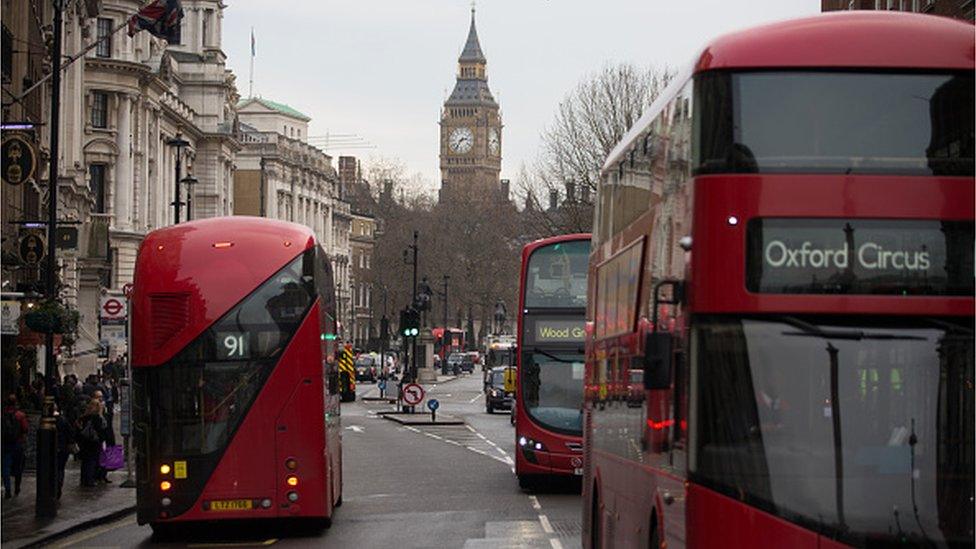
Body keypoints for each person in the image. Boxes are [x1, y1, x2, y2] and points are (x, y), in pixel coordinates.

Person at [2, 394, 29, 498]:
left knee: (5, 467)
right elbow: (25, 429)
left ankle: (8, 489)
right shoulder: (20, 415)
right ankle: (17, 488)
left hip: (5, 444)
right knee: (18, 467)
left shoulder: (2, 414)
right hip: (18, 443)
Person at [76, 398, 106, 487]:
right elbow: (100, 430)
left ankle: (84, 479)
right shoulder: (97, 417)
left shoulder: (84, 417)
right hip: (94, 442)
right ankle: (90, 480)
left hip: (84, 442)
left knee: (85, 461)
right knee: (92, 461)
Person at [54, 402, 76, 498]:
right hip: (62, 448)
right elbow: (71, 433)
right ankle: (58, 485)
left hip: (54, 449)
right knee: (60, 468)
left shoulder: (45, 420)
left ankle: (55, 486)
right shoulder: (63, 420)